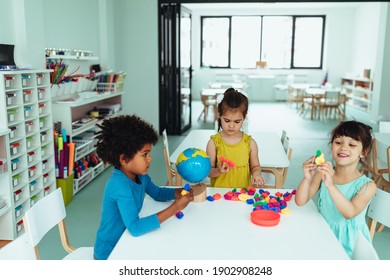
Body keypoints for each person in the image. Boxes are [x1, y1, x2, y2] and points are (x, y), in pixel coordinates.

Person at [93, 115, 193, 260]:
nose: (150, 158)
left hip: (128, 244)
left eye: (149, 154)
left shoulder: (140, 175)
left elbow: (157, 193)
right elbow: (135, 227)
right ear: (124, 159)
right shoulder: (119, 186)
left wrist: (177, 192)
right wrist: (176, 207)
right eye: (144, 154)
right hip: (110, 253)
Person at [295, 120, 377, 258]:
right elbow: (300, 201)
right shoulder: (322, 174)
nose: (343, 148)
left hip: (350, 246)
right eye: (338, 142)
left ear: (363, 152)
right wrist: (307, 178)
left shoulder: (368, 186)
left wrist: (330, 185)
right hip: (323, 234)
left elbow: (349, 212)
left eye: (351, 145)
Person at [206, 88, 266, 188]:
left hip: (242, 196)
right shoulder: (213, 143)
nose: (231, 126)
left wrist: (256, 174)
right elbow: (209, 172)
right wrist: (218, 171)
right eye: (227, 120)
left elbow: (256, 166)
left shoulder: (250, 143)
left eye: (237, 121)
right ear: (219, 116)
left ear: (244, 118)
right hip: (219, 196)